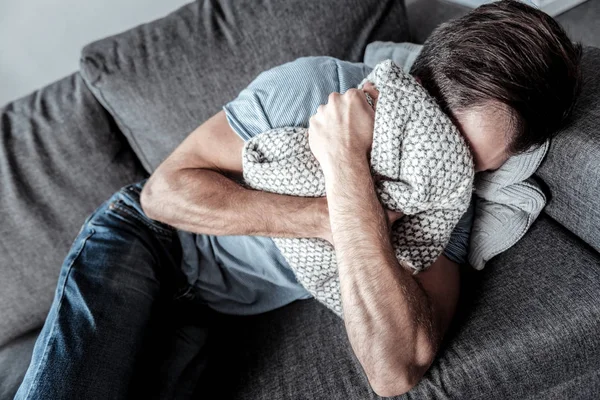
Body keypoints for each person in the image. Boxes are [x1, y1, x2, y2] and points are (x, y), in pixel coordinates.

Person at [16, 1, 581, 398]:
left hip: (218, 314)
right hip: (147, 242)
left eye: (468, 159)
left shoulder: (446, 196)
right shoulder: (313, 88)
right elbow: (165, 194)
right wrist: (325, 218)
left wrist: (345, 170)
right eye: (436, 130)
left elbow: (396, 371)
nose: (438, 158)